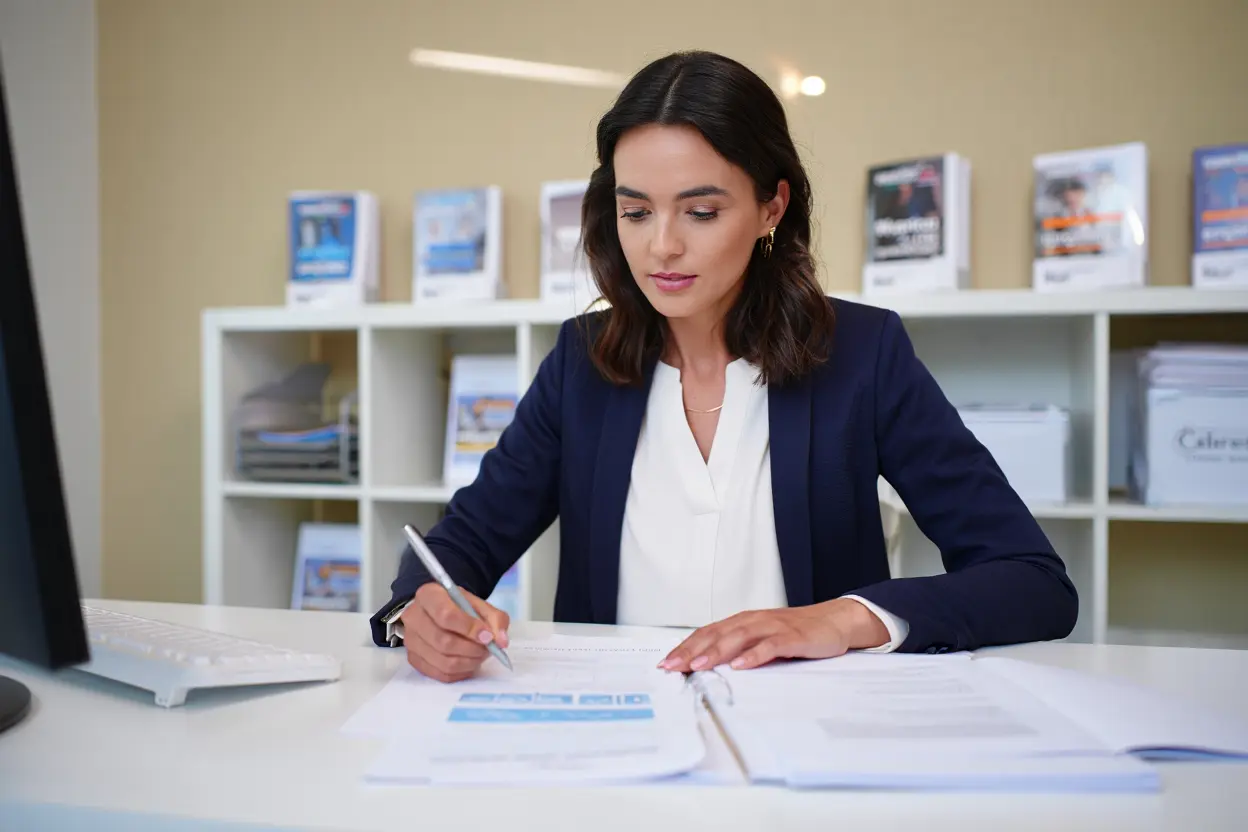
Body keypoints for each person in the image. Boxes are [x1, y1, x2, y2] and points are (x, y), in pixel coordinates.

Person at [369, 50, 1078, 683]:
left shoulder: (864, 354)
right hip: (616, 732)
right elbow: (459, 545)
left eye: (701, 212)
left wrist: (840, 619)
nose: (662, 248)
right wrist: (422, 610)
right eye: (636, 211)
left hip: (804, 736)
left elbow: (1030, 579)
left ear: (772, 205)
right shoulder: (580, 364)